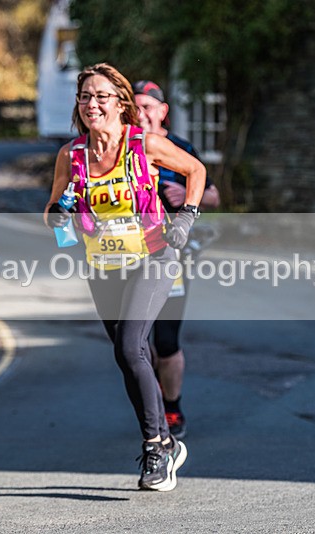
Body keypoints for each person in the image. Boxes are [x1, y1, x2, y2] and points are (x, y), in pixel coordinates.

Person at [44, 63, 206, 491]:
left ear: (120, 104)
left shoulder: (144, 145)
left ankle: (157, 446)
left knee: (132, 345)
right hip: (102, 265)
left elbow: (196, 172)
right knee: (125, 355)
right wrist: (61, 216)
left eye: (101, 96)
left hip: (153, 257)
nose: (92, 104)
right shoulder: (71, 155)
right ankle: (164, 442)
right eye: (84, 97)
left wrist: (186, 219)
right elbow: (52, 215)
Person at [132, 80, 220, 440]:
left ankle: (172, 407)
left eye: (147, 107)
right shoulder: (123, 149)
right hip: (129, 254)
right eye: (134, 107)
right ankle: (152, 408)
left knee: (166, 341)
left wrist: (185, 194)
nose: (141, 114)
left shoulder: (180, 148)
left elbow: (212, 195)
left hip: (171, 255)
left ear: (162, 110)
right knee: (137, 343)